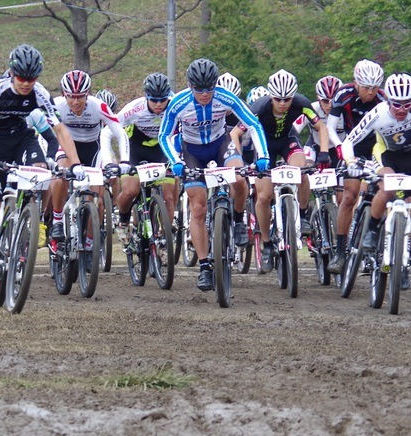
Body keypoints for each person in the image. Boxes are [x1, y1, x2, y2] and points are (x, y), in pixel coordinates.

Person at [0, 44, 81, 293]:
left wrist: (76, 163)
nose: (26, 83)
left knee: (41, 169)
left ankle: (35, 216)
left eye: (32, 78)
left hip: (21, 140)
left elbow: (59, 129)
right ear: (11, 72)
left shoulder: (39, 93)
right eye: (22, 78)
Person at [160, 58, 269, 291]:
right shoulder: (178, 103)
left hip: (221, 144)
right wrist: (175, 161)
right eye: (200, 90)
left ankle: (239, 220)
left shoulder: (225, 97)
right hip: (192, 151)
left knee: (240, 179)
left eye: (210, 88)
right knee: (198, 206)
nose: (205, 94)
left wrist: (263, 156)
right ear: (190, 86)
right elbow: (164, 136)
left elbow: (254, 125)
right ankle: (205, 266)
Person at [230, 69, 329, 274]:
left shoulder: (302, 103)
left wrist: (325, 153)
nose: (283, 103)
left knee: (302, 169)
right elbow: (235, 133)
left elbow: (321, 127)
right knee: (264, 197)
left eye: (287, 99)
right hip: (263, 146)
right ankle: (266, 244)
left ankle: (301, 215)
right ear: (270, 95)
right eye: (278, 99)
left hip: (287, 141)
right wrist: (239, 161)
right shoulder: (259, 107)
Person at [49, 69, 128, 260]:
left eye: (80, 97)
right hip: (68, 148)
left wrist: (124, 160)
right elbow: (42, 130)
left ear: (88, 94)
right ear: (63, 94)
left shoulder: (98, 106)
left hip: (93, 149)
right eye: (71, 97)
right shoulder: (56, 105)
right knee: (61, 176)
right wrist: (49, 157)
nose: (76, 102)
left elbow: (119, 132)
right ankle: (58, 220)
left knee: (98, 199)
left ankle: (91, 242)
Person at [325, 59, 385, 274]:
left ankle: (381, 243)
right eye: (366, 87)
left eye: (375, 87)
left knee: (386, 193)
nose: (371, 92)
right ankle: (340, 251)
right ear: (356, 82)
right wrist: (341, 149)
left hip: (378, 146)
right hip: (353, 146)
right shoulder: (343, 95)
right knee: (349, 196)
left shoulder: (383, 99)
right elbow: (331, 128)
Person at [102, 73, 177, 242]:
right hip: (136, 148)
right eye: (153, 100)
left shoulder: (175, 107)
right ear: (146, 97)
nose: (158, 104)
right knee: (130, 191)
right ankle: (122, 221)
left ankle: (164, 240)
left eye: (162, 100)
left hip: (161, 149)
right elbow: (108, 130)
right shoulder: (135, 108)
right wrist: (110, 161)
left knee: (168, 196)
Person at [344, 73, 411, 253]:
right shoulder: (378, 113)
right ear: (388, 100)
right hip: (386, 154)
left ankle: (404, 249)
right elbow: (349, 141)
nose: (402, 109)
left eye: (407, 104)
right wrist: (350, 163)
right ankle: (372, 229)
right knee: (387, 187)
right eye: (397, 104)